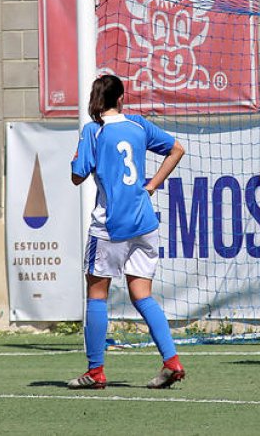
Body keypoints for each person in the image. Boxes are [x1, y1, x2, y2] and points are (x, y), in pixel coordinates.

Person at [67, 75, 186, 390]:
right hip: (144, 223)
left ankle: (95, 371)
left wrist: (78, 157)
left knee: (96, 295)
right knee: (142, 295)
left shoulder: (94, 130)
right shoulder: (138, 125)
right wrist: (153, 184)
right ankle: (171, 362)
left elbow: (77, 177)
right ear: (121, 98)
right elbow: (177, 149)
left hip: (110, 226)